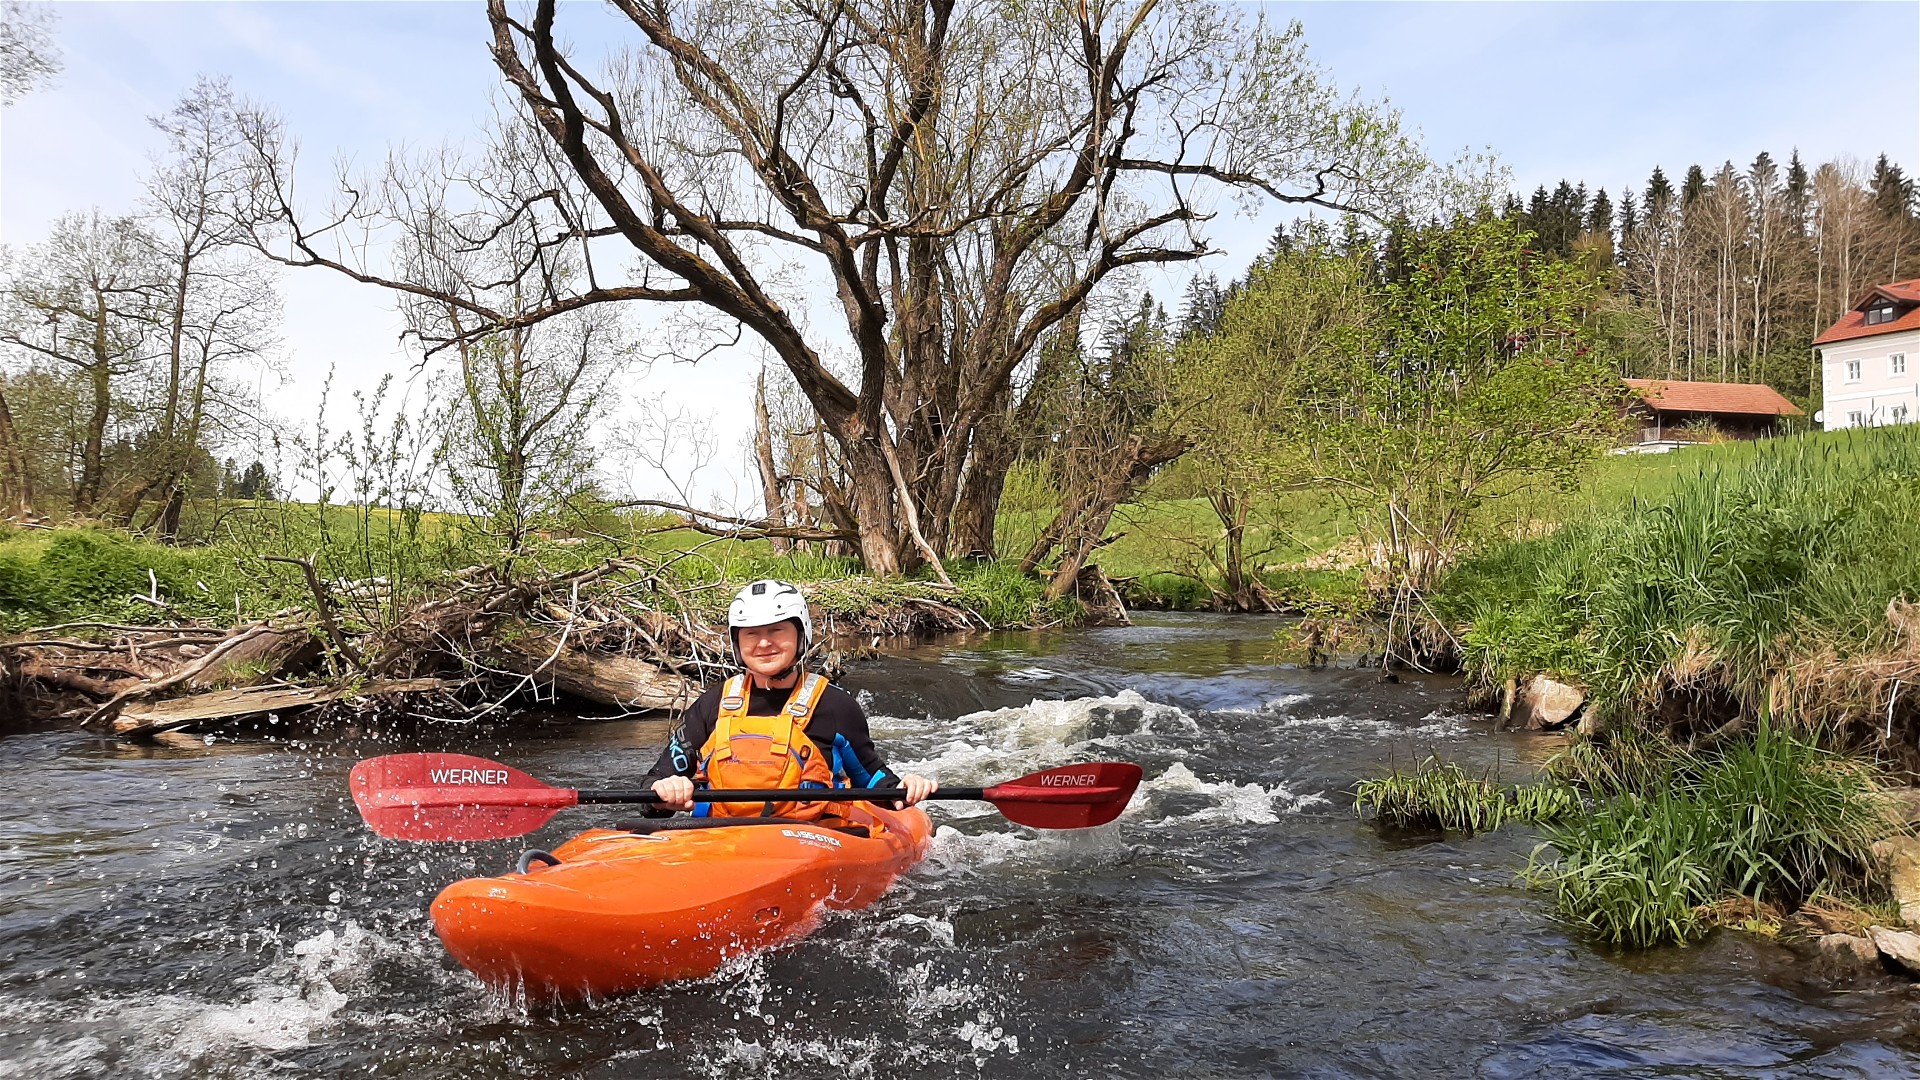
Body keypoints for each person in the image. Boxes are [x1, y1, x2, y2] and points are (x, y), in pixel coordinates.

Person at [644, 579, 937, 821]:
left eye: (776, 630)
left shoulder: (835, 706)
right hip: (722, 841)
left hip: (810, 841)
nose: (763, 643)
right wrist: (665, 791)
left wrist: (905, 789)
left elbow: (873, 780)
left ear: (801, 635)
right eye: (751, 634)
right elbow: (653, 785)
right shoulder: (712, 704)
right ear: (738, 642)